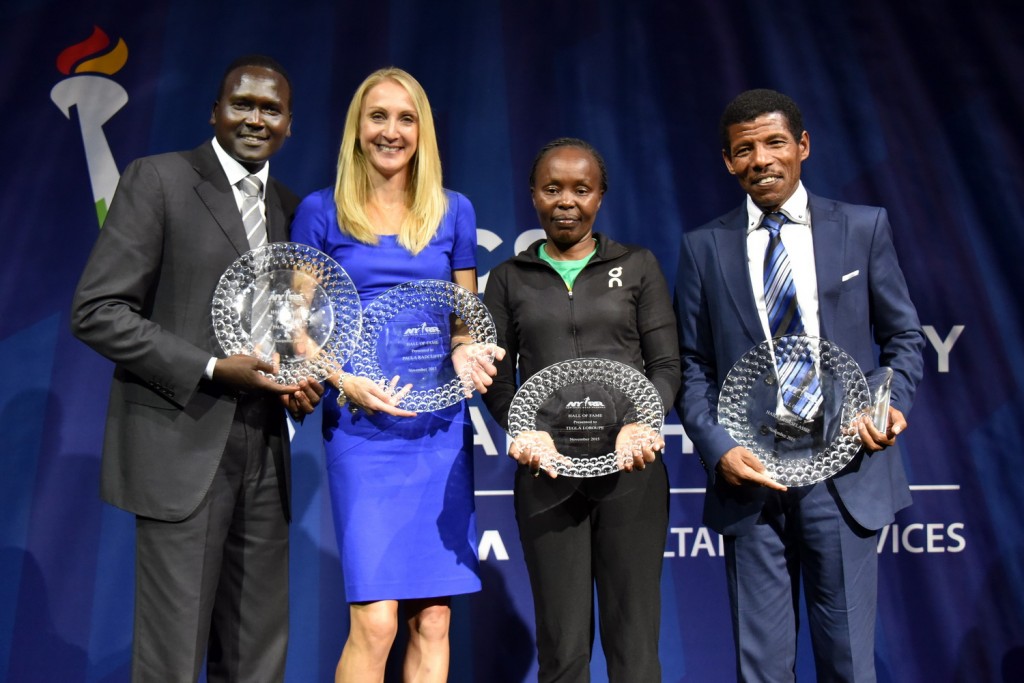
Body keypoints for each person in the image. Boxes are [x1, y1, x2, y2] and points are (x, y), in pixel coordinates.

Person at [70, 55, 323, 681]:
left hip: (267, 448)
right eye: (242, 104)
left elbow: (283, 325)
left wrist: (295, 379)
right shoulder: (158, 180)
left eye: (272, 109)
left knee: (257, 654)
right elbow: (98, 310)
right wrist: (211, 367)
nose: (256, 119)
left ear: (290, 124)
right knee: (172, 658)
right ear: (215, 111)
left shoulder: (292, 210)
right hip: (183, 442)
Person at [675, 88, 925, 681]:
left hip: (844, 475)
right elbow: (691, 366)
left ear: (803, 147)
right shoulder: (703, 247)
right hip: (752, 482)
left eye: (774, 143)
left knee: (846, 663)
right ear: (728, 162)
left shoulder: (864, 228)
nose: (761, 159)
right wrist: (719, 450)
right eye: (745, 150)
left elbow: (904, 338)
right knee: (761, 668)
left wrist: (887, 406)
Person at [290, 67, 501, 683]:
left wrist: (466, 350)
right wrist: (341, 381)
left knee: (434, 618)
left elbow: (466, 318)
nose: (391, 131)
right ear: (357, 128)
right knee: (377, 621)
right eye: (377, 116)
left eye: (405, 118)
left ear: (422, 131)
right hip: (361, 424)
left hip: (438, 426)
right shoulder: (320, 211)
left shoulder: (454, 211)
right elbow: (297, 326)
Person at [481, 138, 680, 682]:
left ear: (600, 196)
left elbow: (666, 366)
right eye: (552, 189)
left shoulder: (638, 266)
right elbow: (498, 382)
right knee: (563, 652)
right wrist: (523, 430)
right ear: (533, 195)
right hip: (546, 477)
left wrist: (643, 420)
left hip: (631, 474)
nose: (566, 201)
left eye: (580, 189)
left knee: (634, 649)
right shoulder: (507, 278)